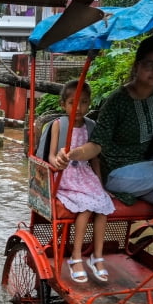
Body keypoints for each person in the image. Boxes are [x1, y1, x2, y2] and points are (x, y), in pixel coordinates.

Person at [53, 35, 153, 283]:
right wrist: (73, 154)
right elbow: (97, 144)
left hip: (150, 170)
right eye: (149, 64)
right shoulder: (117, 101)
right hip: (118, 173)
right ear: (137, 65)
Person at [43, 81, 112, 283]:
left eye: (84, 102)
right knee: (87, 208)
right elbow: (50, 156)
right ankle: (75, 256)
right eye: (73, 102)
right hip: (64, 176)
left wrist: (100, 185)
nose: (79, 107)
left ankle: (97, 256)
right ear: (63, 104)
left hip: (85, 175)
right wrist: (58, 161)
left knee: (103, 206)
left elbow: (94, 159)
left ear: (89, 103)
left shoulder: (91, 127)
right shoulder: (58, 125)